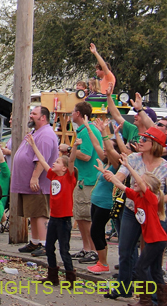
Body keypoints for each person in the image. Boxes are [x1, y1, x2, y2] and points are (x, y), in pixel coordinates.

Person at [105, 127, 167, 300]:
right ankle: (124, 287)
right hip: (132, 210)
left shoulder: (165, 167)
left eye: (145, 139)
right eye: (141, 138)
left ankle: (154, 297)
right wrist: (111, 175)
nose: (140, 141)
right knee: (125, 250)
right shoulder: (132, 158)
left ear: (155, 144)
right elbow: (120, 176)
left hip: (155, 214)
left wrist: (155, 199)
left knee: (152, 258)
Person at [26, 131, 79, 285]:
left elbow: (72, 161)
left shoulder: (68, 178)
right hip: (54, 218)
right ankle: (52, 276)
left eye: (57, 162)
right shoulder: (54, 176)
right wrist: (34, 146)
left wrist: (74, 147)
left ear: (64, 168)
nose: (54, 163)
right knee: (49, 247)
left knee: (64, 250)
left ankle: (70, 278)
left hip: (64, 219)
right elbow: (42, 160)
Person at [13, 105, 59, 257]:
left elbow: (42, 159)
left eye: (34, 113)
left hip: (39, 183)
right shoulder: (36, 132)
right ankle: (34, 241)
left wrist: (34, 177)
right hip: (28, 182)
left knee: (40, 213)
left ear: (43, 117)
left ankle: (45, 244)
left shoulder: (45, 135)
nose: (31, 115)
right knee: (32, 212)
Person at [87, 118, 123, 274]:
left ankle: (103, 263)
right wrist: (88, 127)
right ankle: (102, 261)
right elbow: (96, 144)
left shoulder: (116, 165)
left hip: (105, 204)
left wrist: (105, 132)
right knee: (98, 231)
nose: (105, 150)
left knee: (95, 231)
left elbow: (108, 146)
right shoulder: (107, 161)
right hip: (97, 202)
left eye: (108, 149)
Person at [70, 103, 103, 264]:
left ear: (78, 113)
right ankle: (86, 248)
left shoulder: (88, 131)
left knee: (87, 216)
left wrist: (70, 150)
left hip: (88, 180)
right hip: (83, 178)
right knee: (81, 216)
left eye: (72, 112)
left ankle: (94, 250)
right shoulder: (83, 130)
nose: (70, 115)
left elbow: (86, 155)